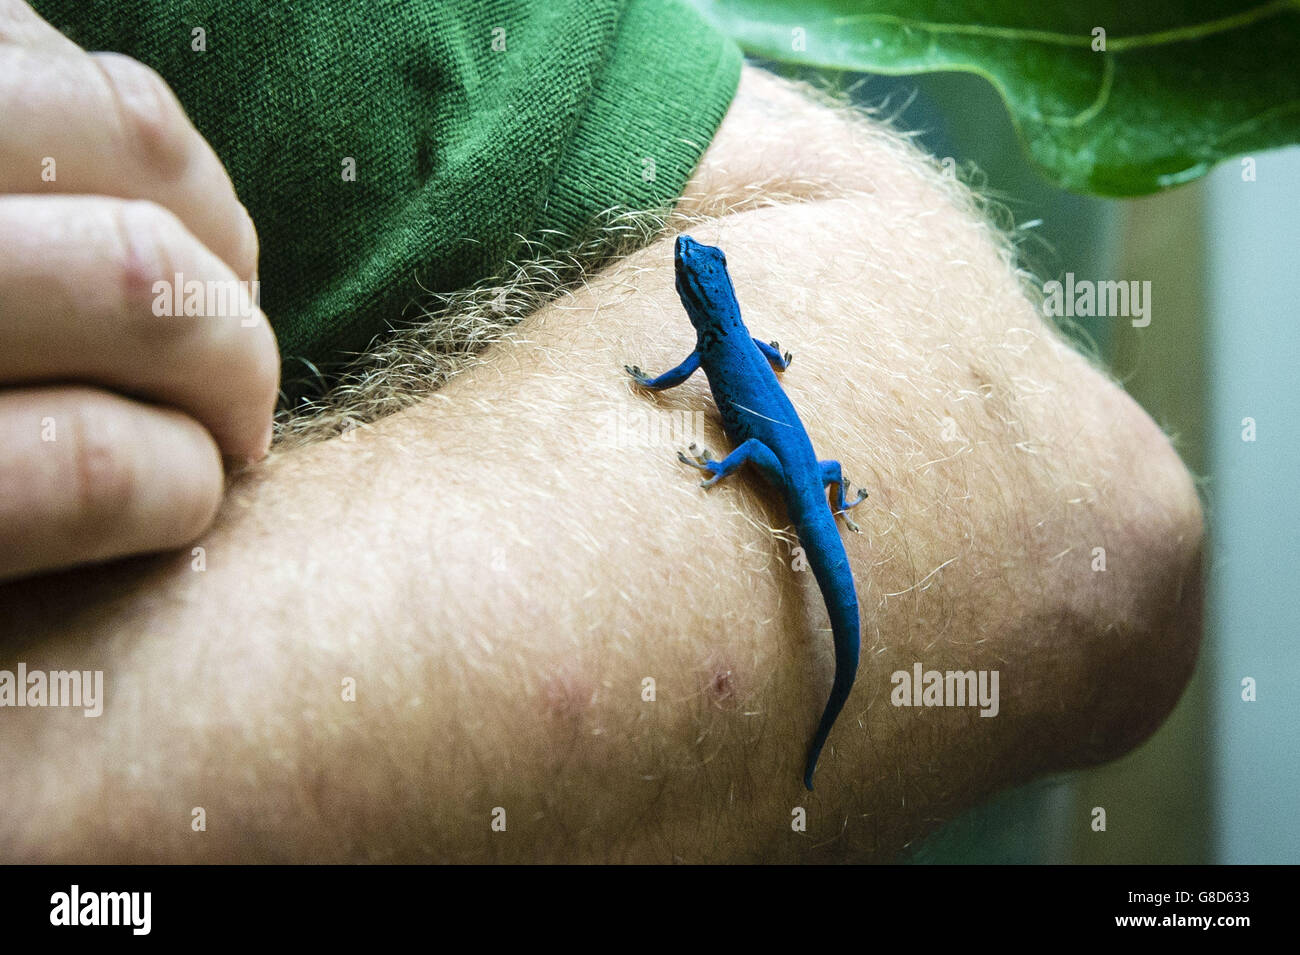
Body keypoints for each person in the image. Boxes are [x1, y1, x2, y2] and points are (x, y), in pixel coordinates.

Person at [0, 0, 1202, 861]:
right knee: (797, 475)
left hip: (778, 453)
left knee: (788, 479)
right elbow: (721, 361)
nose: (696, 282)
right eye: (698, 280)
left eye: (698, 277)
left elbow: (1099, 509)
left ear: (704, 294)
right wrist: (713, 422)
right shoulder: (717, 339)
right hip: (788, 452)